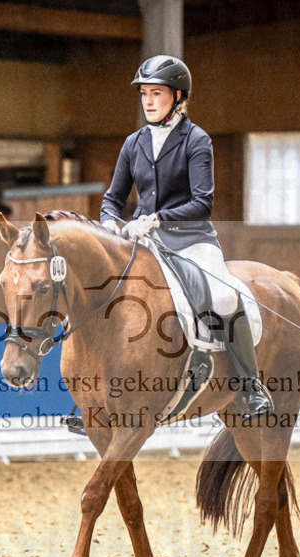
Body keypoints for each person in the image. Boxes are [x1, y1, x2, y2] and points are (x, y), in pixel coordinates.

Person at [100, 55, 273, 419]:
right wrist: (110, 223)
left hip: (191, 239)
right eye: (144, 93)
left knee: (225, 296)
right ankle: (90, 396)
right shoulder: (134, 143)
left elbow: (201, 203)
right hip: (143, 243)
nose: (148, 101)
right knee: (106, 296)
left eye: (156, 94)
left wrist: (157, 218)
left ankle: (250, 386)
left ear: (177, 97)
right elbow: (112, 199)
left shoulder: (197, 140)